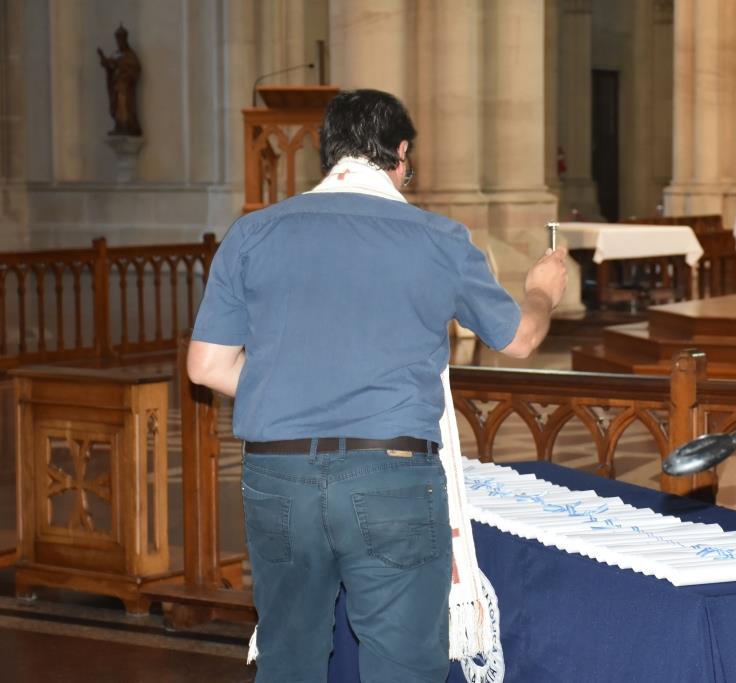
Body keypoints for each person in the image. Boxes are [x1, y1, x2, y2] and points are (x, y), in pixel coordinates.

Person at [187, 89, 567, 683]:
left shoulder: (253, 233)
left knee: (288, 663)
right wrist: (544, 288)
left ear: (327, 152)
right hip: (389, 478)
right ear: (402, 154)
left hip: (277, 478)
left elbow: (206, 367)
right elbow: (517, 340)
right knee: (402, 669)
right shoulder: (437, 238)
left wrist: (293, 392)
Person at [97, 24, 142, 136]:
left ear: (125, 40)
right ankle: (119, 126)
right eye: (117, 40)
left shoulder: (130, 55)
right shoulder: (116, 54)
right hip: (116, 86)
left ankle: (127, 125)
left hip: (125, 87)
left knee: (124, 105)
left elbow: (135, 68)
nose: (119, 43)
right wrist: (103, 59)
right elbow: (110, 64)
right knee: (117, 106)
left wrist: (121, 66)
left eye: (120, 40)